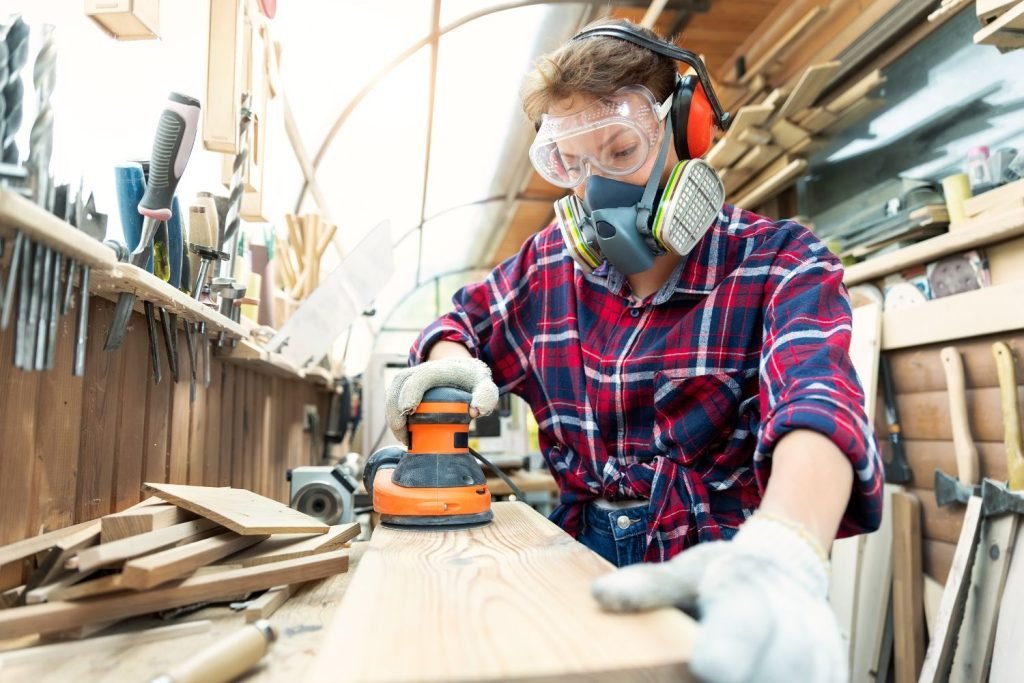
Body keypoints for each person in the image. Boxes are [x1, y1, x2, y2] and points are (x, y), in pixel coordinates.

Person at [385, 18, 883, 683]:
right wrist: (449, 356)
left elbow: (817, 401)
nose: (594, 191)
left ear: (687, 131)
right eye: (572, 163)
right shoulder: (548, 268)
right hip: (580, 561)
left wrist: (786, 551)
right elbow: (464, 322)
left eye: (620, 151)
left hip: (722, 578)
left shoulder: (779, 263)